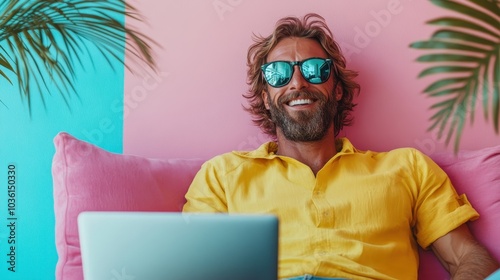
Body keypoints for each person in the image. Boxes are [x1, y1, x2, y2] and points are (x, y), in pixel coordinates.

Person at [183, 13, 499, 280]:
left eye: (314, 70)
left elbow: (467, 258)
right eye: (277, 74)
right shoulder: (221, 176)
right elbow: (192, 267)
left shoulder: (407, 168)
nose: (297, 83)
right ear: (265, 98)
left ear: (336, 89)